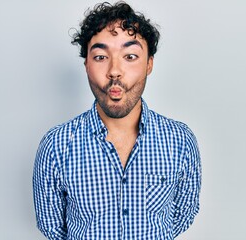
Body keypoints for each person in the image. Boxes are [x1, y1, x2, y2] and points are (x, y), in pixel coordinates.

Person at [33, 1, 201, 239]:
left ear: (149, 64)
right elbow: (52, 226)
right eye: (101, 57)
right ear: (86, 65)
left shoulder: (180, 141)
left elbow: (182, 214)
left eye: (130, 56)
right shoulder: (56, 146)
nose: (114, 71)